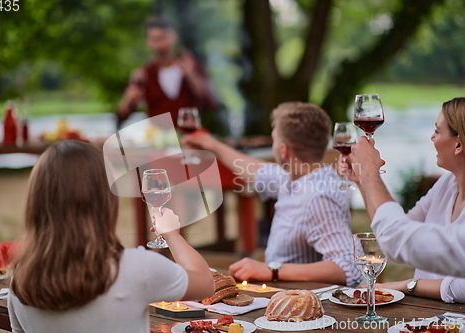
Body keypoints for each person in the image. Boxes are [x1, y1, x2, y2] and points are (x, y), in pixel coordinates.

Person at [8, 140, 214, 333]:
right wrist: (171, 234)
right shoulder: (137, 267)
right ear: (105, 201)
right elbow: (205, 283)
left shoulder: (20, 278)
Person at [184, 102, 362, 287]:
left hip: (304, 305)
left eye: (274, 139)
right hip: (280, 295)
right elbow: (255, 170)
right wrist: (210, 144)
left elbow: (350, 267)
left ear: (283, 150)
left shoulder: (318, 197)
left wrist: (272, 270)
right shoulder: (297, 176)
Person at [346, 97, 465, 280]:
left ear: (458, 144)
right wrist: (362, 180)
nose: (432, 137)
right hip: (425, 308)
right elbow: (394, 232)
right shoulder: (446, 184)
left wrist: (370, 172)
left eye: (437, 130)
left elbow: (396, 238)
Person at [117, 16, 215, 127]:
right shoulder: (144, 74)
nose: (160, 44)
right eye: (155, 39)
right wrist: (128, 99)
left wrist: (191, 76)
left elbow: (209, 102)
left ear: (173, 37)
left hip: (191, 134)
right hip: (160, 137)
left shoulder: (191, 65)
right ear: (147, 42)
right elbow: (122, 116)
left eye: (163, 38)